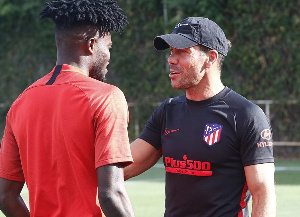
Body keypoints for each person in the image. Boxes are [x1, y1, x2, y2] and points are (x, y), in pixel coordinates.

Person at [124, 17, 276, 217]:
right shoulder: (167, 111)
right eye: (171, 52)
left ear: (211, 57)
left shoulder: (246, 115)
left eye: (182, 52)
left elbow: (263, 193)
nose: (171, 59)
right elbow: (123, 167)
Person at [0, 0, 135, 216]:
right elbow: (111, 194)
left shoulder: (20, 103)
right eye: (108, 47)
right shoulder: (105, 97)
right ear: (91, 45)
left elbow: (5, 196)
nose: (109, 57)